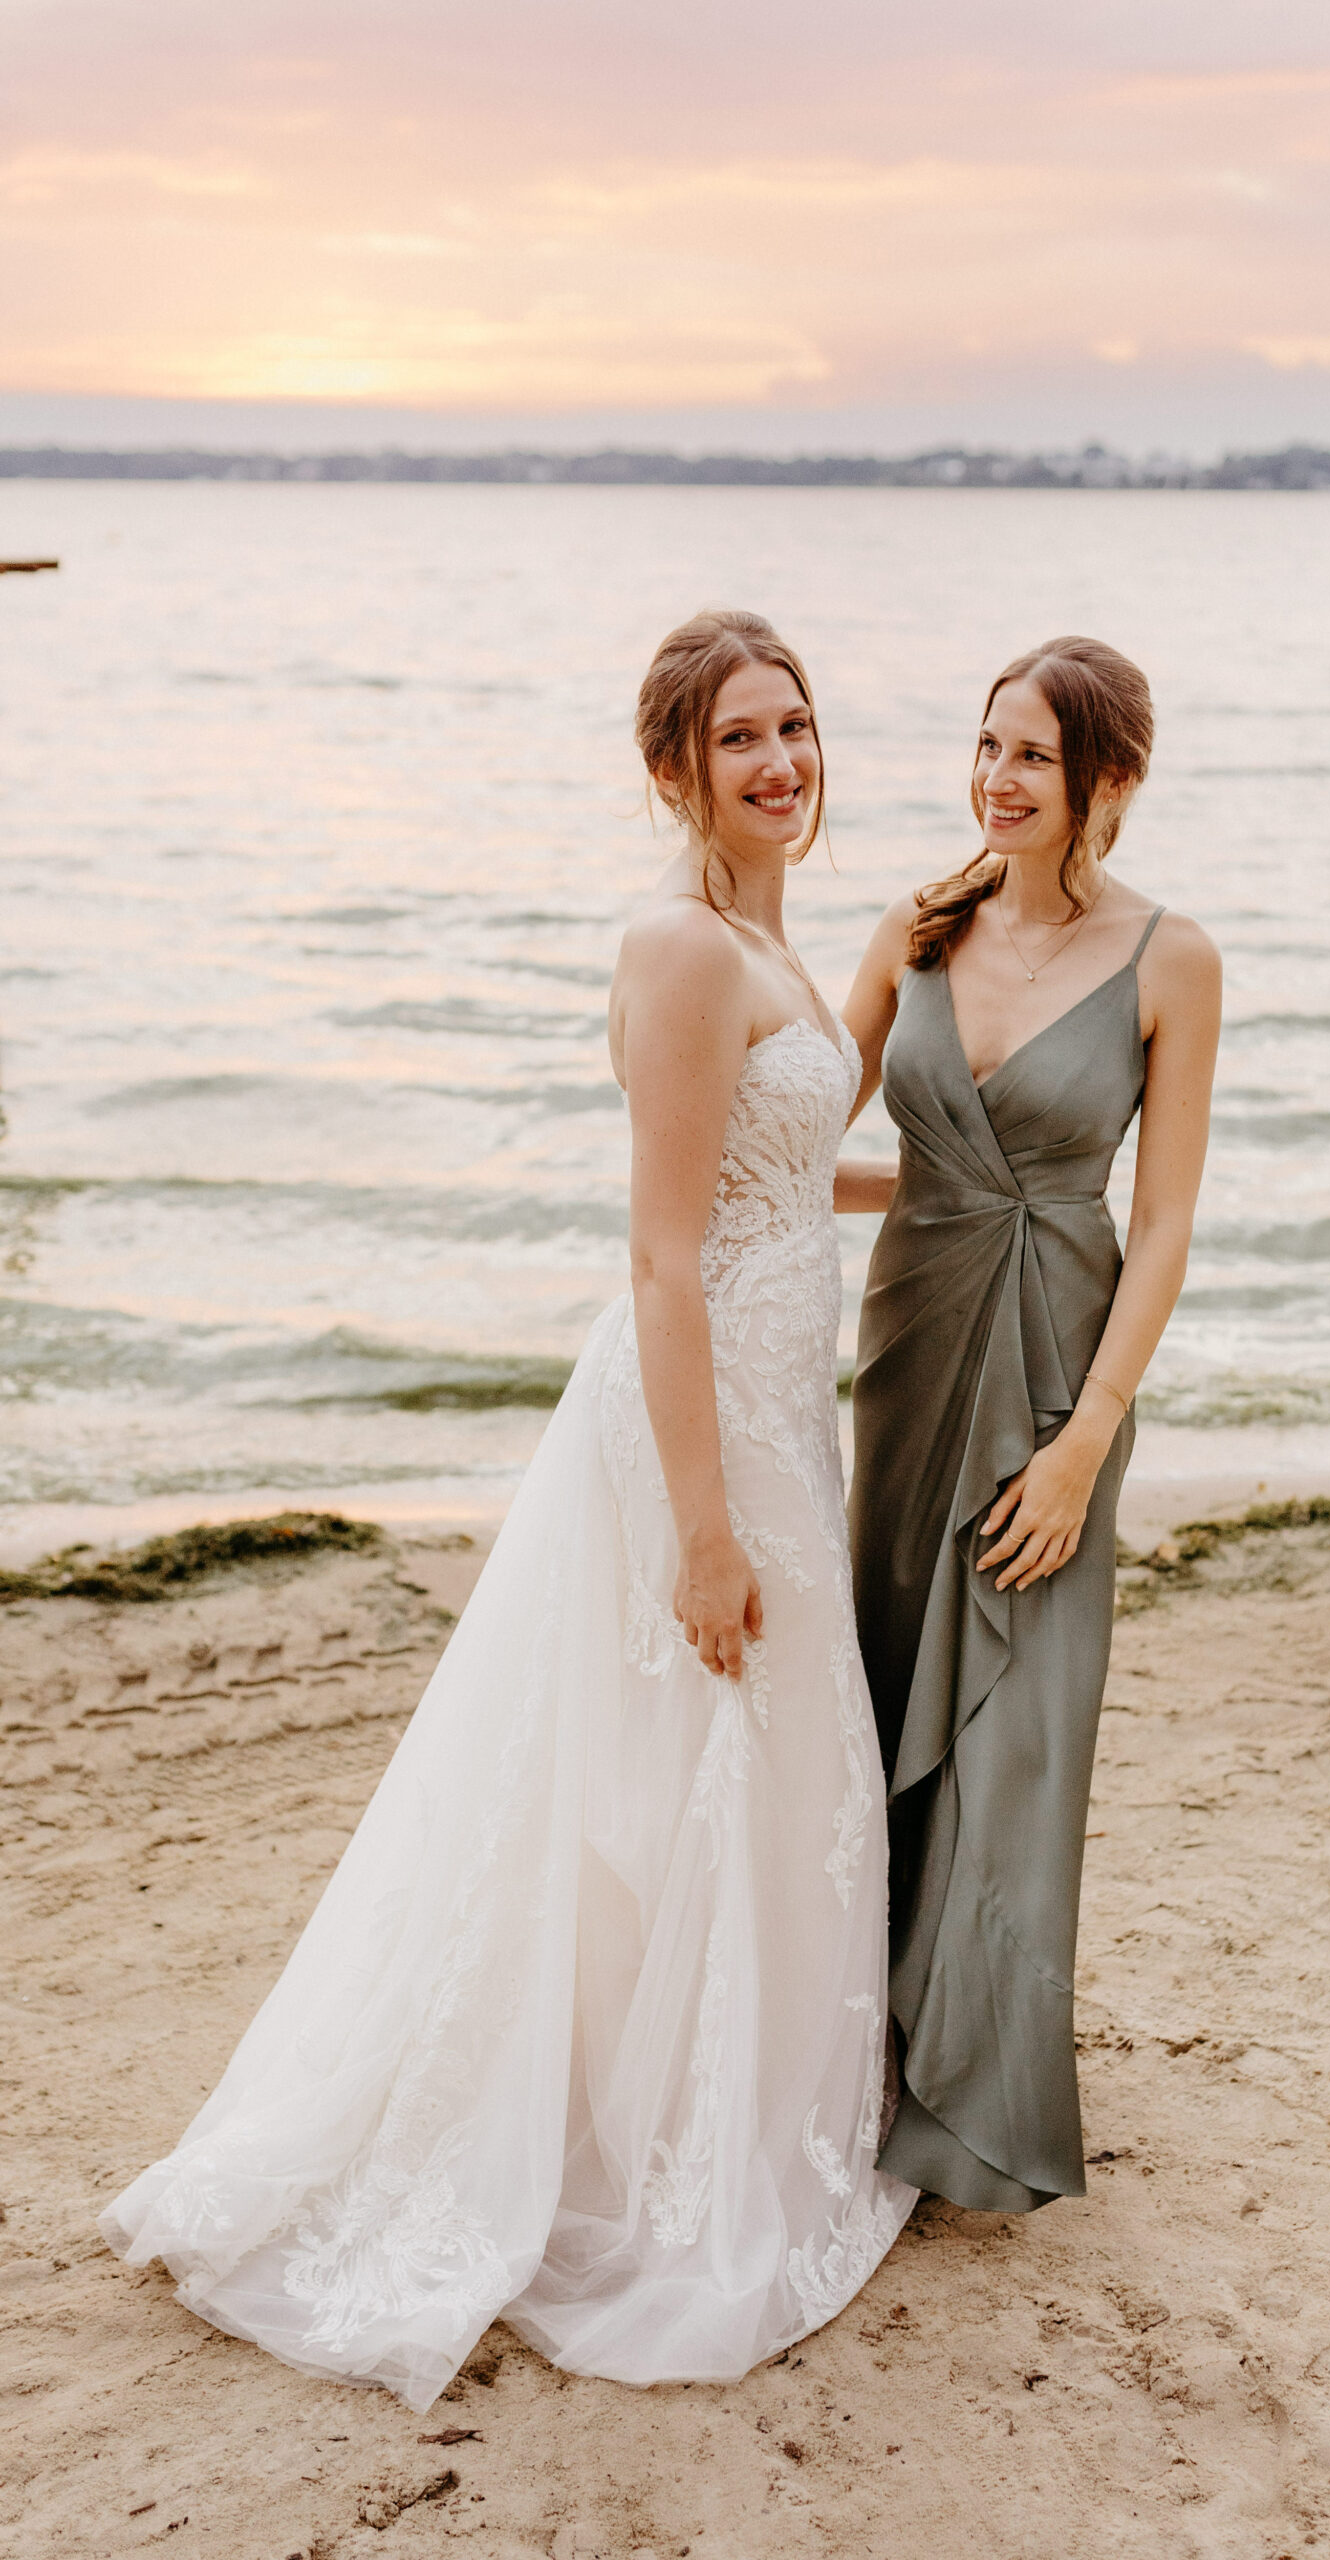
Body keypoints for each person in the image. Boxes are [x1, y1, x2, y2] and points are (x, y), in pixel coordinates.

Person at [100, 609, 914, 2410]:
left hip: (780, 1395)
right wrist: (704, 1530)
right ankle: (650, 2169)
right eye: (737, 743)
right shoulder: (681, 948)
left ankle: (715, 2111)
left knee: (738, 1772)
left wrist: (955, 1167)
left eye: (795, 726)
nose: (781, 760)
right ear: (668, 775)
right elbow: (663, 1251)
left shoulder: (757, 939)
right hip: (701, 1424)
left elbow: (777, 1173)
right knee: (711, 1746)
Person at [839, 635, 1221, 2213]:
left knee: (1020, 1726)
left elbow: (1169, 1221)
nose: (997, 779)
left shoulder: (1171, 960)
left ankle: (973, 2097)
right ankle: (856, 2047)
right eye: (984, 744)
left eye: (1033, 759)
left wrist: (1084, 1442)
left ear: (1106, 784)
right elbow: (798, 1139)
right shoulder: (915, 930)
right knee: (872, 1689)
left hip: (1062, 1368)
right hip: (911, 1346)